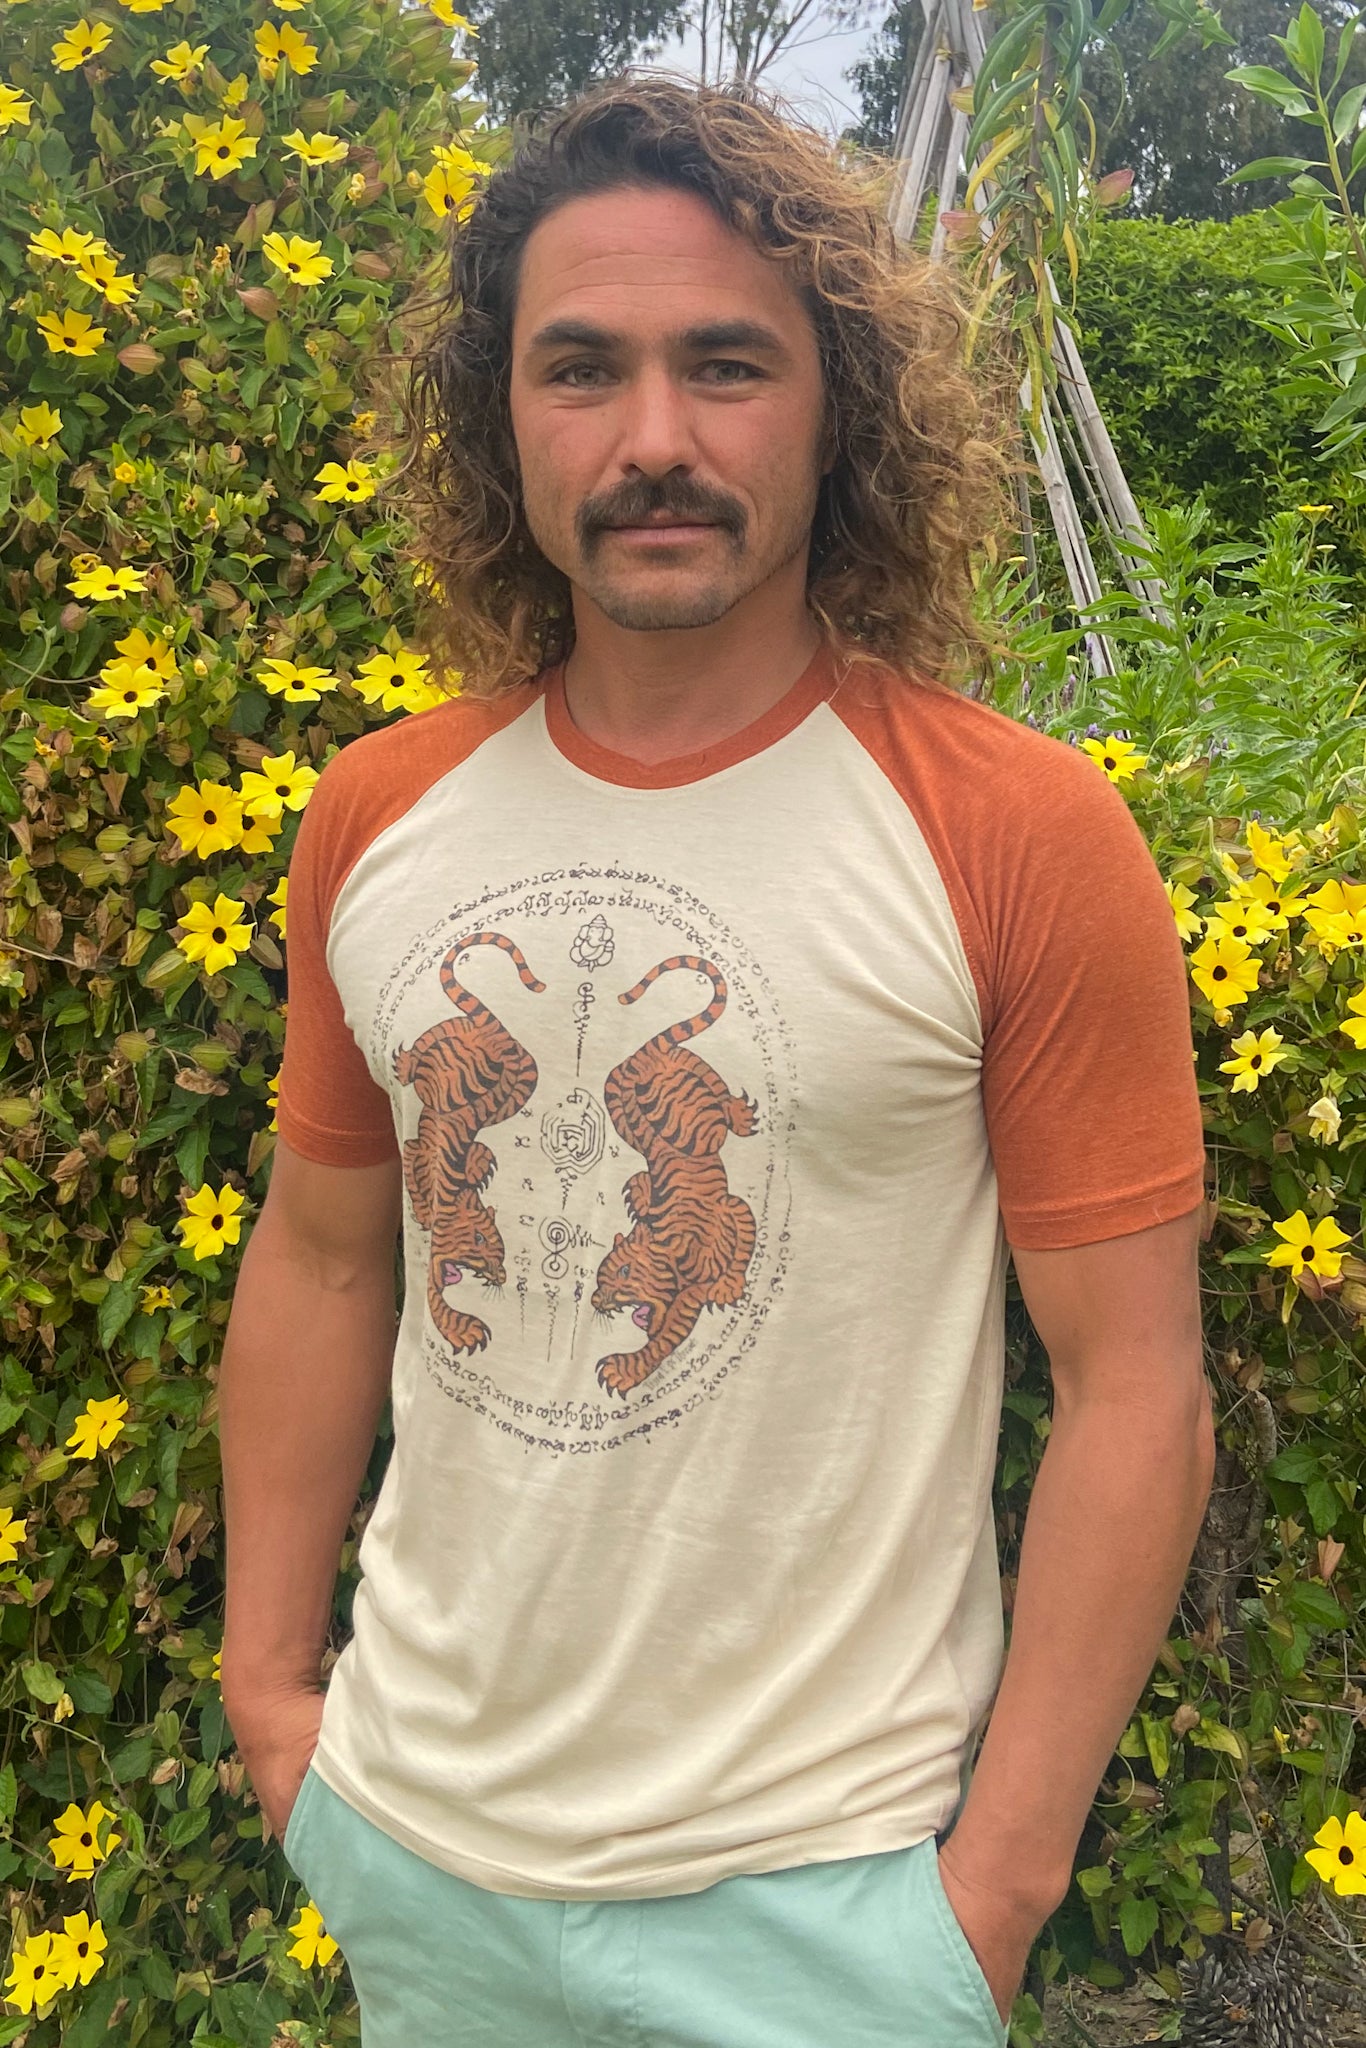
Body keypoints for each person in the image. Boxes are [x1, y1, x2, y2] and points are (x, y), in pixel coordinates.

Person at [218, 75, 1215, 2048]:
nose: (652, 439)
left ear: (838, 408)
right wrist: (272, 1699)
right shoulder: (376, 815)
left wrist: (993, 1888)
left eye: (727, 365)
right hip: (416, 1849)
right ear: (499, 413)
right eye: (580, 367)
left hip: (826, 1913)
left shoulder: (1013, 832)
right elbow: (322, 1260)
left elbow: (1135, 1384)